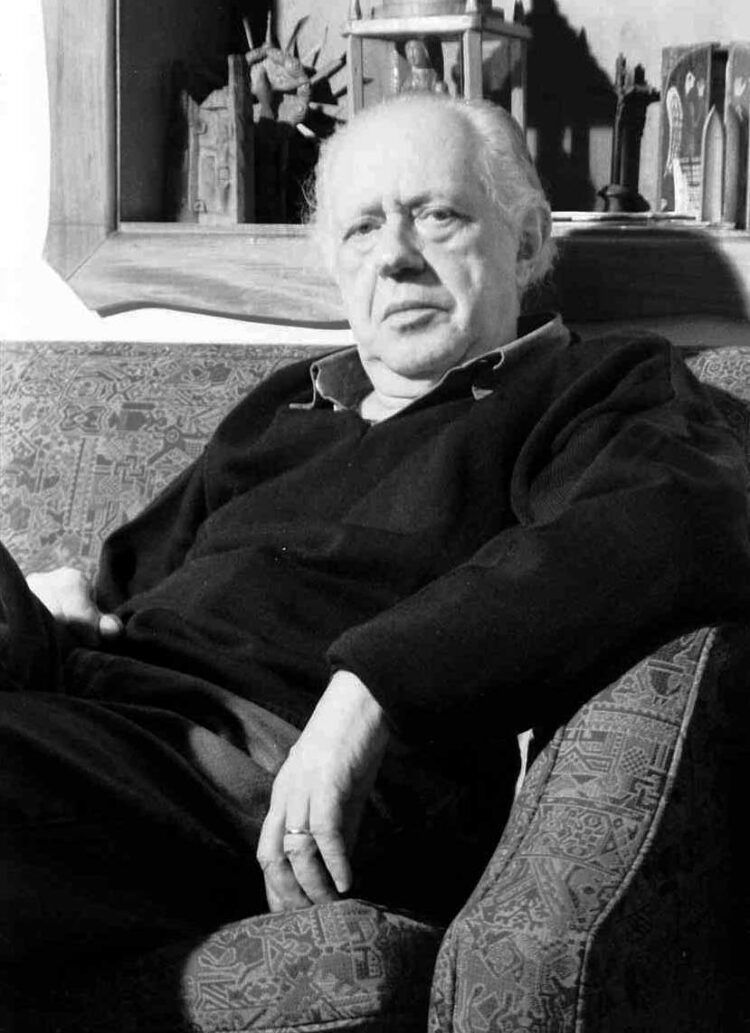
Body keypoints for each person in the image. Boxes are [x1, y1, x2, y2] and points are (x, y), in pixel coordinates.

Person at [3, 93, 749, 990]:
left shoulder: (594, 384)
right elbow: (128, 586)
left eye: (436, 215)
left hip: (264, 757)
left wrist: (372, 688)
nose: (394, 255)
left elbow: (674, 522)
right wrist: (59, 598)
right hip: (104, 711)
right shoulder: (283, 406)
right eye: (361, 229)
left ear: (524, 241)